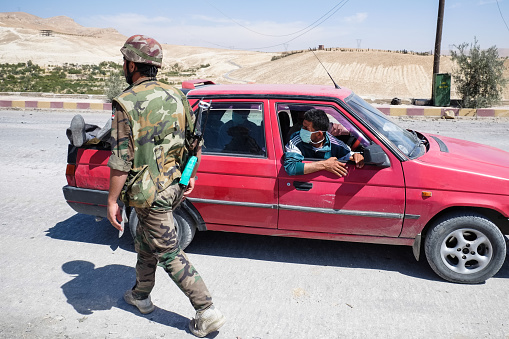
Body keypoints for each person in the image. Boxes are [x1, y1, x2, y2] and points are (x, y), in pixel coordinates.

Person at [106, 34, 225, 338]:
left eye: (124, 61)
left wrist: (112, 201)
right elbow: (195, 142)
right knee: (147, 240)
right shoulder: (177, 96)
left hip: (149, 193)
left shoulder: (126, 102)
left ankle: (205, 309)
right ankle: (141, 295)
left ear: (131, 64)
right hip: (174, 186)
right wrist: (190, 174)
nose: (123, 66)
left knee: (168, 251)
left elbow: (121, 159)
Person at [284, 108, 364, 177]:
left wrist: (356, 156)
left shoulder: (336, 144)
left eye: (306, 128)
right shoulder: (296, 139)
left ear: (319, 134)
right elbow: (291, 167)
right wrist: (324, 165)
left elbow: (349, 156)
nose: (301, 129)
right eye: (303, 126)